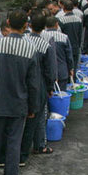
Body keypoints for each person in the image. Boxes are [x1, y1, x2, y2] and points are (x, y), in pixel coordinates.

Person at [0, 11, 40, 175]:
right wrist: (33, 107)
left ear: (8, 23)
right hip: (19, 104)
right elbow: (33, 84)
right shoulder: (30, 49)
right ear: (26, 26)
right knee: (13, 143)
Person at [22, 10, 56, 160]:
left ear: (29, 25)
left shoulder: (23, 40)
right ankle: (36, 146)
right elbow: (50, 70)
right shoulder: (45, 45)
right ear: (44, 28)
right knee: (38, 116)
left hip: (22, 84)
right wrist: (50, 88)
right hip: (39, 84)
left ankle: (25, 146)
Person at [42, 14, 75, 90]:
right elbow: (69, 56)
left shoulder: (42, 37)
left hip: (46, 72)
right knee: (61, 94)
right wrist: (71, 68)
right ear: (57, 25)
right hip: (62, 71)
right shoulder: (64, 37)